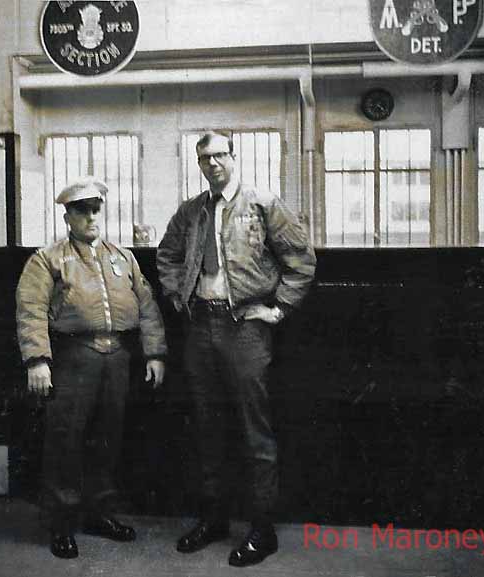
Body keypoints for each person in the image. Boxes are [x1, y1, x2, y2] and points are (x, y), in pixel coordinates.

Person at [156, 131, 316, 567]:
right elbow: (167, 255)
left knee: (253, 429)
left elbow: (302, 261)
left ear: (233, 156)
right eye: (204, 158)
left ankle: (261, 529)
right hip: (200, 327)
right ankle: (215, 519)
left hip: (245, 328)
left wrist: (278, 310)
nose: (213, 164)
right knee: (208, 427)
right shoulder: (191, 211)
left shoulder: (263, 203)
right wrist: (177, 295)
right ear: (199, 163)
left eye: (220, 155)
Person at [16, 176, 167, 559]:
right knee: (65, 440)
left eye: (96, 209)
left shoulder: (123, 257)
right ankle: (62, 523)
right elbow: (31, 310)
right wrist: (38, 361)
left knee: (108, 438)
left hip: (117, 359)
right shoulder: (47, 259)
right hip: (73, 359)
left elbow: (147, 307)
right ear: (68, 216)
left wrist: (154, 353)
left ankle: (100, 513)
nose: (91, 217)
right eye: (82, 210)